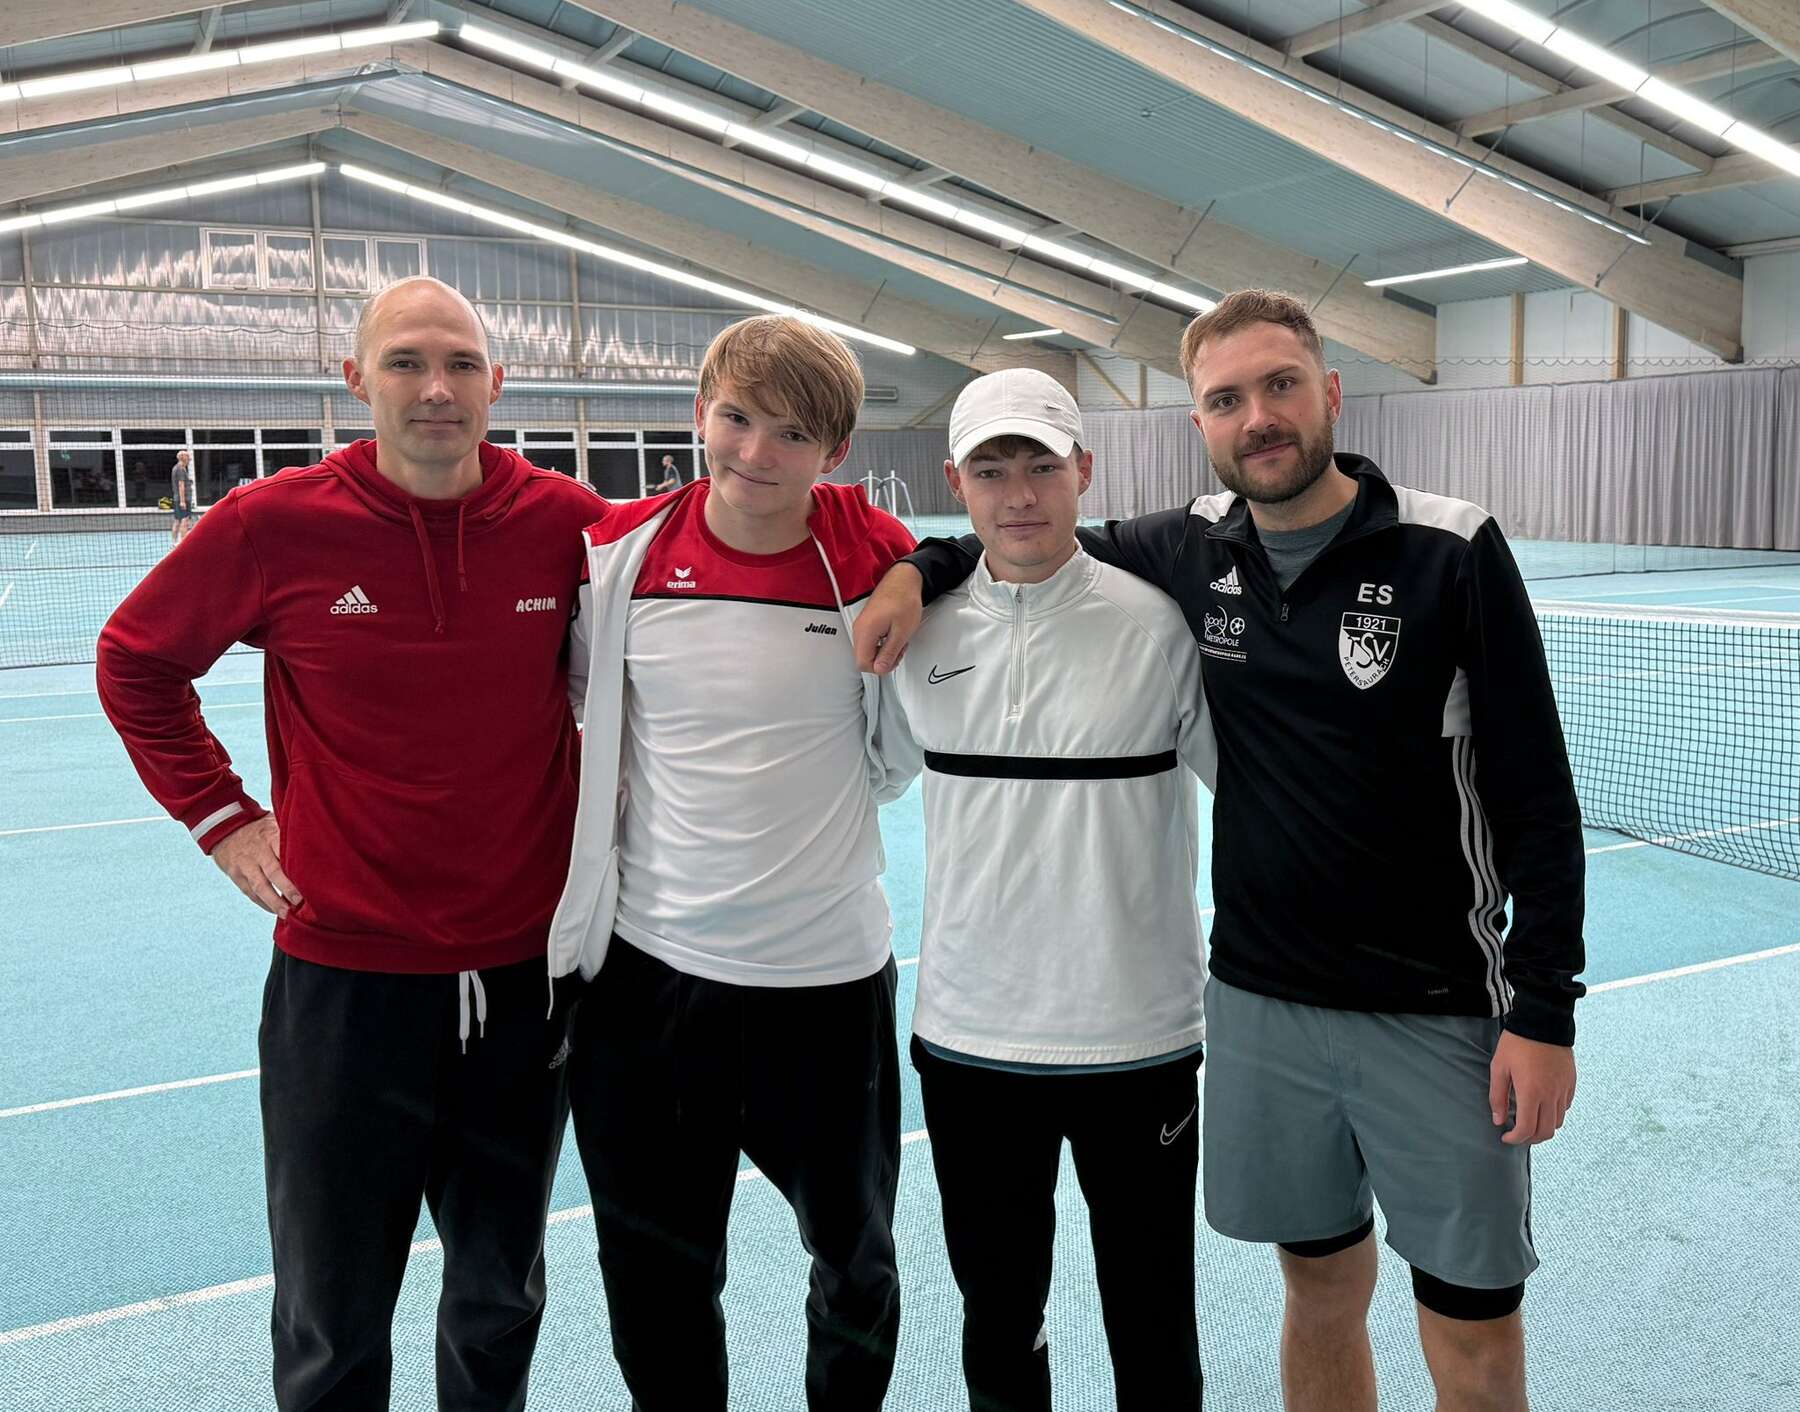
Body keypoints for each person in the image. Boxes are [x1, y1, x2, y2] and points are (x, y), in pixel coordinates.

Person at [855, 289, 1586, 1412]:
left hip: (1433, 1007)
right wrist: (917, 569)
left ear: (1329, 391)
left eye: (1280, 385)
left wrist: (1543, 1010)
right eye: (1228, 399)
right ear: (1199, 420)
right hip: (1261, 1006)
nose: (1260, 417)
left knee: (1472, 1329)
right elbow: (1014, 543)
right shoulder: (1190, 549)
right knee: (1318, 1286)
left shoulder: (1447, 547)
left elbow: (1536, 792)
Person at [97, 275, 602, 1412]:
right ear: (355, 380)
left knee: (499, 1298)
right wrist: (224, 818)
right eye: (407, 362)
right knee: (332, 1314)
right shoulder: (273, 524)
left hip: (525, 984)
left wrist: (923, 565)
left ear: (498, 383)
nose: (436, 389)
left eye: (461, 364)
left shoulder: (567, 523)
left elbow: (732, 537)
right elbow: (135, 659)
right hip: (344, 987)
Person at [546, 314, 915, 1412]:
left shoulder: (868, 552)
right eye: (738, 418)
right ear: (700, 410)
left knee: (858, 1262)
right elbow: (577, 699)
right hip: (649, 984)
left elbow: (957, 577)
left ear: (834, 453)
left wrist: (917, 567)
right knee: (655, 1274)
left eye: (793, 434)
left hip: (828, 985)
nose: (756, 453)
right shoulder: (618, 554)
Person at [881, 368, 1214, 1411]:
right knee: (999, 1315)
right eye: (991, 470)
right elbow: (864, 774)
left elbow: (1257, 789)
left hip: (1140, 1040)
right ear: (956, 482)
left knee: (1154, 1318)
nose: (1019, 493)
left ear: (1085, 472)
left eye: (1041, 466)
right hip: (970, 1043)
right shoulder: (915, 630)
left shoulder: (1160, 624)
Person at [170, 449, 195, 544]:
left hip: (179, 498)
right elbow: (181, 485)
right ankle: (183, 543)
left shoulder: (177, 468)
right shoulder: (180, 469)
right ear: (184, 458)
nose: (189, 461)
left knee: (177, 520)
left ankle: (174, 543)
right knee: (184, 520)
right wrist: (182, 501)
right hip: (183, 499)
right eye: (188, 459)